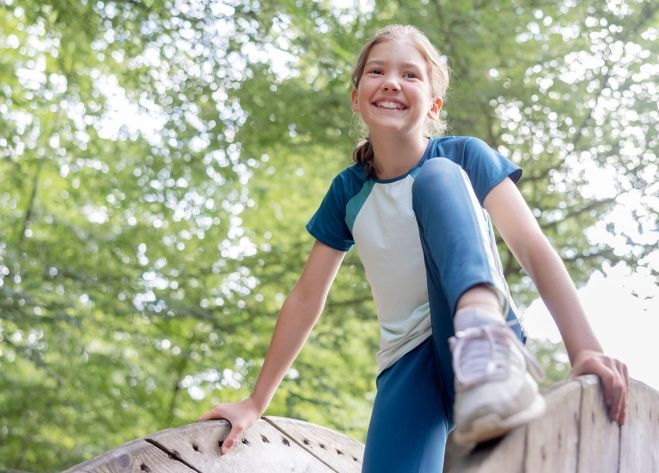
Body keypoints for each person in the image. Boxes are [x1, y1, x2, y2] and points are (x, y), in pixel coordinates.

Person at [199, 24, 628, 472]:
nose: (391, 82)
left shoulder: (464, 156)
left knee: (438, 177)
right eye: (377, 71)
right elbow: (307, 298)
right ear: (356, 98)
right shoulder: (348, 192)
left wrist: (584, 349)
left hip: (475, 334)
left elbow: (531, 246)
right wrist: (256, 401)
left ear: (434, 105)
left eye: (410, 75)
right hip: (406, 361)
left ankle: (483, 335)